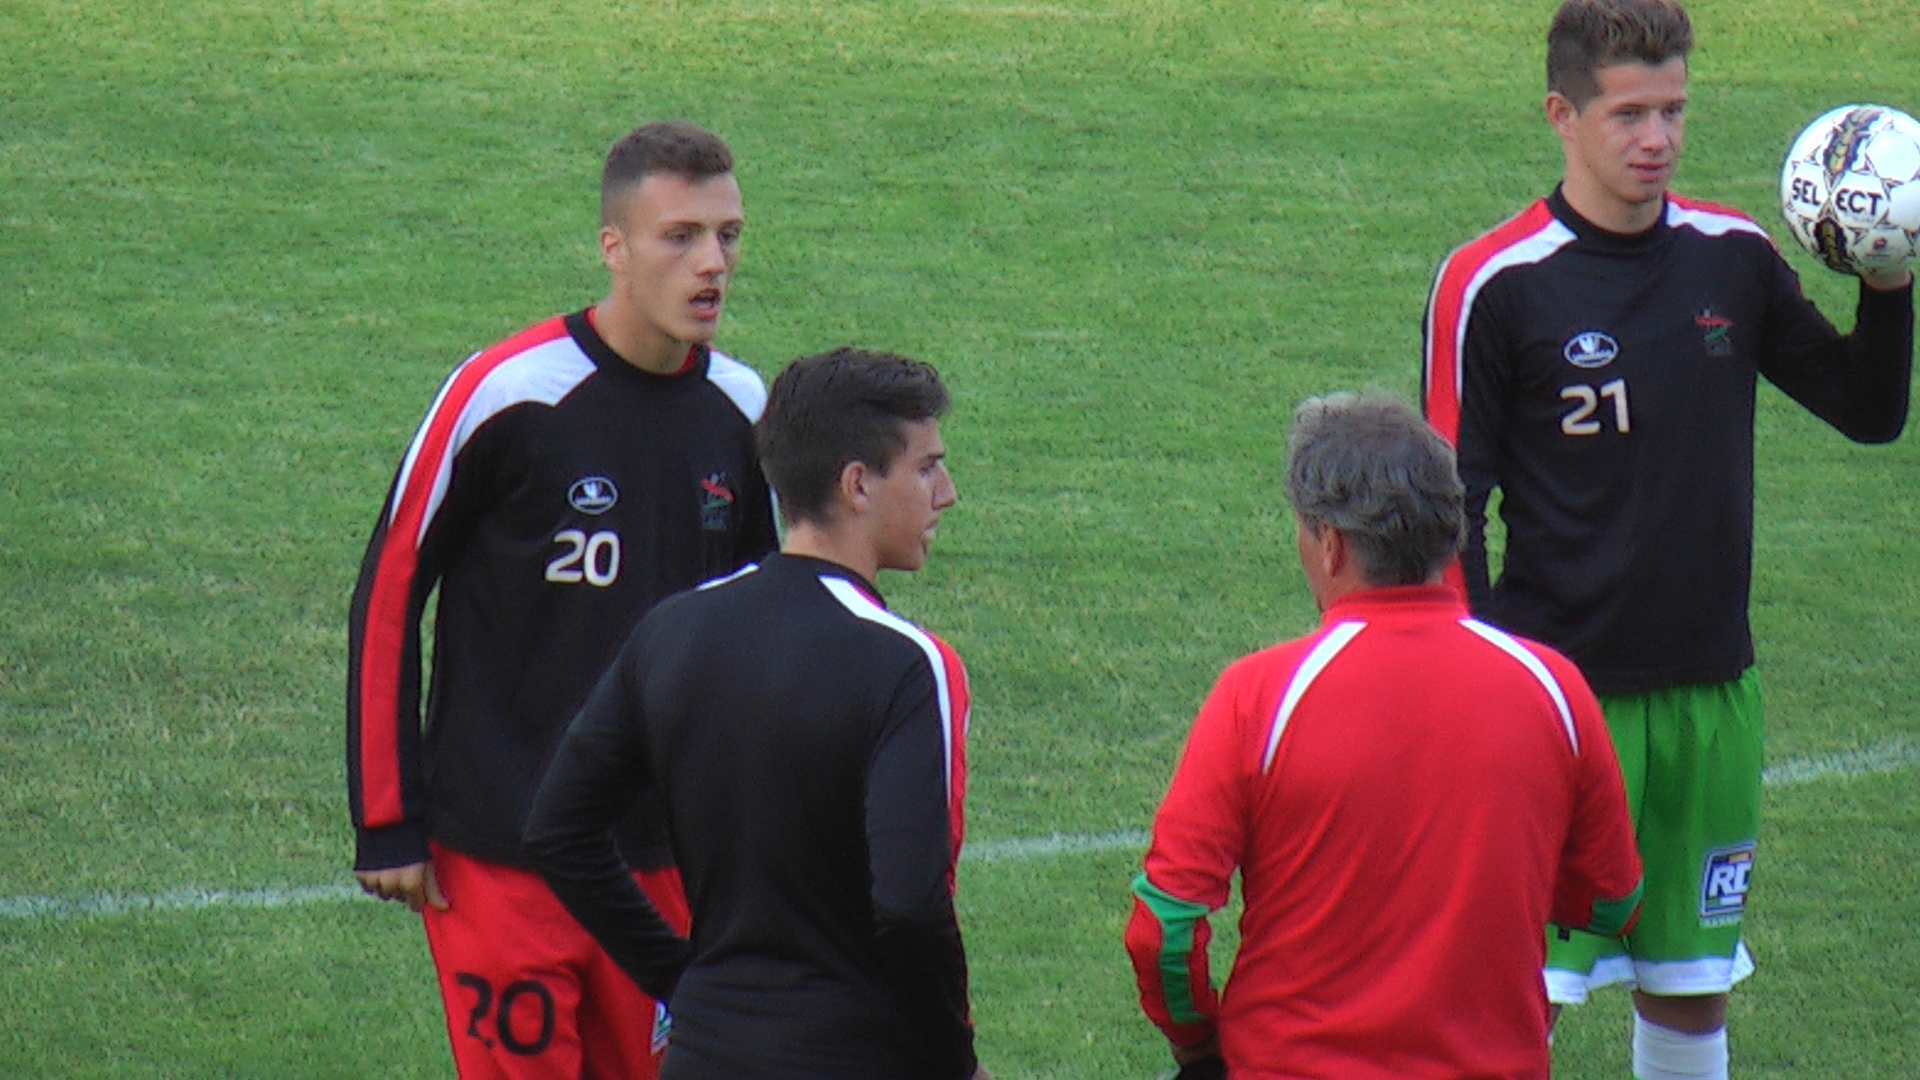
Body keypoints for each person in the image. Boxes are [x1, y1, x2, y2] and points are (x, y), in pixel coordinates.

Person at [1420, 1, 1915, 1076]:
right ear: (1563, 115)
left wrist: (1888, 283)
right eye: (1630, 114)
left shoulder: (1730, 257)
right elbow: (1452, 505)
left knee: (1691, 997)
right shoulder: (1494, 283)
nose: (1659, 138)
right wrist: (1481, 688)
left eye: (1675, 111)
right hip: (1560, 705)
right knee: (1517, 1002)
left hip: (1711, 698)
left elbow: (1867, 412)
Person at [345, 120, 777, 1080]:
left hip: (667, 861)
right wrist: (387, 818)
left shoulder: (745, 412)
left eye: (728, 235)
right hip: (503, 855)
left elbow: (770, 628)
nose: (712, 263)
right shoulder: (506, 393)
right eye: (680, 237)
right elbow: (390, 593)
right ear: (613, 248)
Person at [1125, 392, 1644, 1080]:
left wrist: (1194, 1044)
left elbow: (1165, 928)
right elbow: (1612, 900)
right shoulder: (1553, 688)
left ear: (1331, 544)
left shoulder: (1260, 696)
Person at [523, 348, 990, 1080]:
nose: (948, 494)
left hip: (705, 1053)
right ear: (858, 484)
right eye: (927, 468)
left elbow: (558, 829)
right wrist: (954, 1063)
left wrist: (680, 979)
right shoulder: (907, 663)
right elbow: (909, 904)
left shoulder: (672, 629)